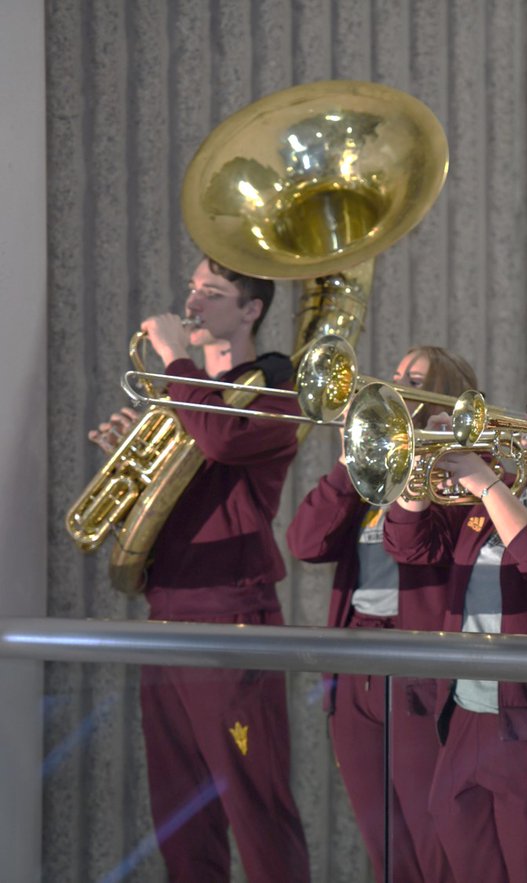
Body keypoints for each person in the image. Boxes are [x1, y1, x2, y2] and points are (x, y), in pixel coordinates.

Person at [88, 257, 310, 883]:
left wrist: (173, 359)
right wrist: (134, 463)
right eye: (192, 288)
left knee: (255, 804)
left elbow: (222, 441)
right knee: (179, 814)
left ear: (251, 310)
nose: (192, 302)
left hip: (232, 613)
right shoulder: (188, 396)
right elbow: (187, 492)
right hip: (169, 610)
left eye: (212, 293)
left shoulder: (276, 386)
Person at [383, 371, 527, 883]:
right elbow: (409, 546)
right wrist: (420, 465)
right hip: (468, 713)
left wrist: (484, 482)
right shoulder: (495, 498)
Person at [287, 346, 477, 882]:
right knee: (382, 839)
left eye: (411, 379)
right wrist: (351, 459)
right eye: (394, 375)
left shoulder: (453, 475)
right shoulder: (371, 478)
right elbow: (304, 543)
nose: (391, 386)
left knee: (431, 834)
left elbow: (426, 549)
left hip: (415, 660)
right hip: (355, 664)